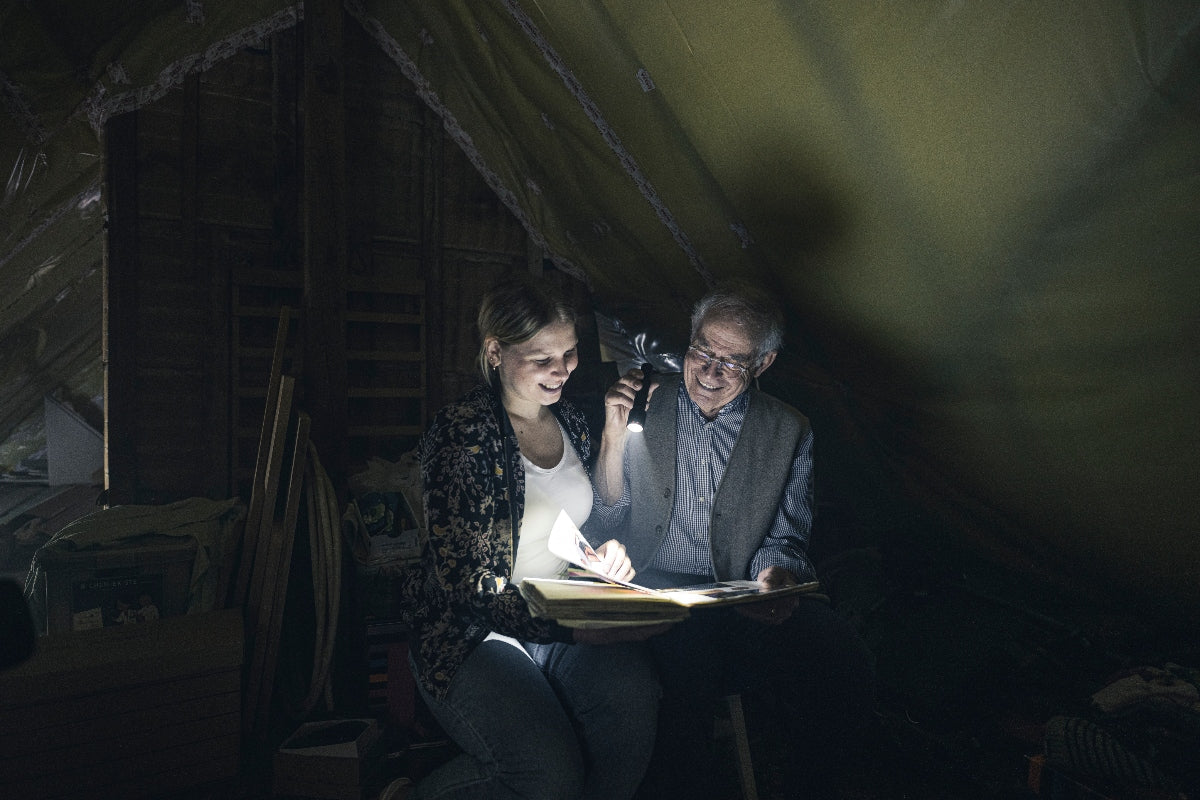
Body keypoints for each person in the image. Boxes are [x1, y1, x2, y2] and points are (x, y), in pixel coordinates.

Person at [590, 280, 877, 800]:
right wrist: (612, 435)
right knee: (689, 667)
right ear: (691, 339)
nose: (709, 371)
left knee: (839, 649)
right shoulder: (645, 402)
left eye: (731, 361)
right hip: (655, 588)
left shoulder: (788, 429)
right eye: (702, 350)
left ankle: (820, 783)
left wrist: (777, 576)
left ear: (762, 364)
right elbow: (608, 516)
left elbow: (786, 537)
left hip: (738, 592)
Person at [404, 275, 667, 800]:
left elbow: (585, 524)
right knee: (547, 773)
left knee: (634, 703)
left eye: (569, 354)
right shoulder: (463, 434)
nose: (561, 371)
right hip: (474, 630)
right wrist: (574, 631)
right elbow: (467, 589)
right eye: (541, 357)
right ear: (495, 352)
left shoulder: (570, 418)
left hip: (561, 610)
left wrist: (601, 555)